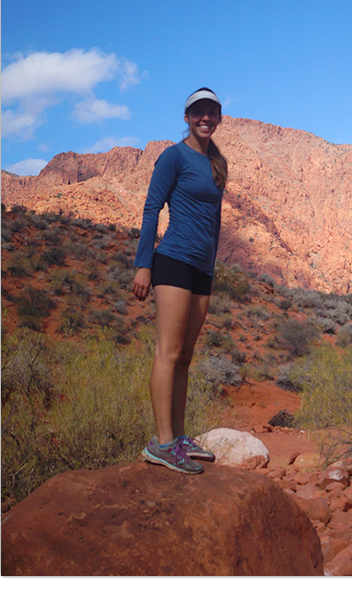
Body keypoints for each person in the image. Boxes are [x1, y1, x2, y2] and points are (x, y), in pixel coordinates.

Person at [132, 87, 227, 474]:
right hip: (172, 261)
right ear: (186, 117)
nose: (205, 118)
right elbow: (153, 207)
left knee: (185, 357)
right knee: (168, 352)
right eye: (198, 112)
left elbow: (215, 222)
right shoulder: (173, 156)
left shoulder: (218, 163)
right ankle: (162, 442)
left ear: (219, 118)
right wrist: (144, 264)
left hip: (202, 269)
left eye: (212, 112)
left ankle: (179, 437)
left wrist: (213, 265)